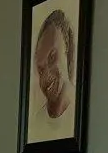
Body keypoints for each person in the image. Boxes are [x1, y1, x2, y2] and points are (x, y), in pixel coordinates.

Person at [29, 9, 76, 142]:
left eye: (52, 58)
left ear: (67, 50)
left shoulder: (79, 113)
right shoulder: (37, 121)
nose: (46, 76)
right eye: (41, 69)